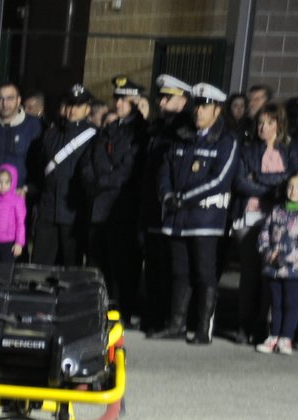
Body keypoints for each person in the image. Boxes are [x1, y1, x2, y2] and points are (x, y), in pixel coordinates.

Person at [149, 82, 236, 345]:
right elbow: (164, 170)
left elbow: (219, 179)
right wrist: (166, 195)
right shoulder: (182, 136)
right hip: (177, 217)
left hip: (205, 220)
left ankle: (202, 328)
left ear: (217, 111)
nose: (199, 111)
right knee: (180, 272)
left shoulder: (225, 140)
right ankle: (176, 324)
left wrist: (184, 199)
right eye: (197, 105)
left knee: (204, 272)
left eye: (206, 106)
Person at [225, 103, 298, 343]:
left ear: (278, 125)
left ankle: (263, 323)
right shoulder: (246, 150)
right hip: (250, 217)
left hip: (279, 220)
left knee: (269, 275)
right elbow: (239, 182)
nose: (263, 127)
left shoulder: (289, 151)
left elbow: (294, 181)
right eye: (260, 122)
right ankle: (244, 323)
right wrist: (274, 187)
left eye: (269, 122)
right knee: (250, 274)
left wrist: (259, 178)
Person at [80, 76, 148, 321]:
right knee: (98, 262)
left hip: (122, 207)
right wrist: (92, 181)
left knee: (122, 264)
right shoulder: (109, 128)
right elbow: (88, 161)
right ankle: (99, 307)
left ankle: (122, 309)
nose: (118, 104)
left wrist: (101, 182)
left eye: (123, 99)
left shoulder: (140, 132)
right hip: (99, 206)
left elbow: (128, 170)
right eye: (117, 99)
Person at [138, 74, 192, 335]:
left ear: (182, 100)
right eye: (160, 97)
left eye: (167, 98)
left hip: (171, 207)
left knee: (172, 267)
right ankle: (155, 314)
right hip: (151, 204)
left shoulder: (184, 129)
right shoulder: (158, 127)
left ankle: (172, 319)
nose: (161, 102)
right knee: (155, 265)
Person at [254, 172, 298, 355]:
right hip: (273, 267)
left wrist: (284, 256)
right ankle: (274, 335)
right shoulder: (278, 209)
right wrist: (268, 251)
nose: (293, 191)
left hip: (296, 268)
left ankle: (286, 337)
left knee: (291, 302)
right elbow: (265, 232)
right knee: (275, 302)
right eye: (290, 186)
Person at [30, 84, 96, 266]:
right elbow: (39, 170)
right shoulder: (50, 135)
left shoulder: (93, 136)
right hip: (48, 209)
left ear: (88, 108)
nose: (71, 110)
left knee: (70, 268)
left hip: (74, 211)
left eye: (77, 105)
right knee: (40, 266)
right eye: (68, 104)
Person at [0, 81, 43, 192]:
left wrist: (28, 189)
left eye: (9, 98)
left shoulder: (34, 126)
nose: (4, 103)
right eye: (0, 99)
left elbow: (40, 164)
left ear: (18, 101)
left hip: (19, 196)